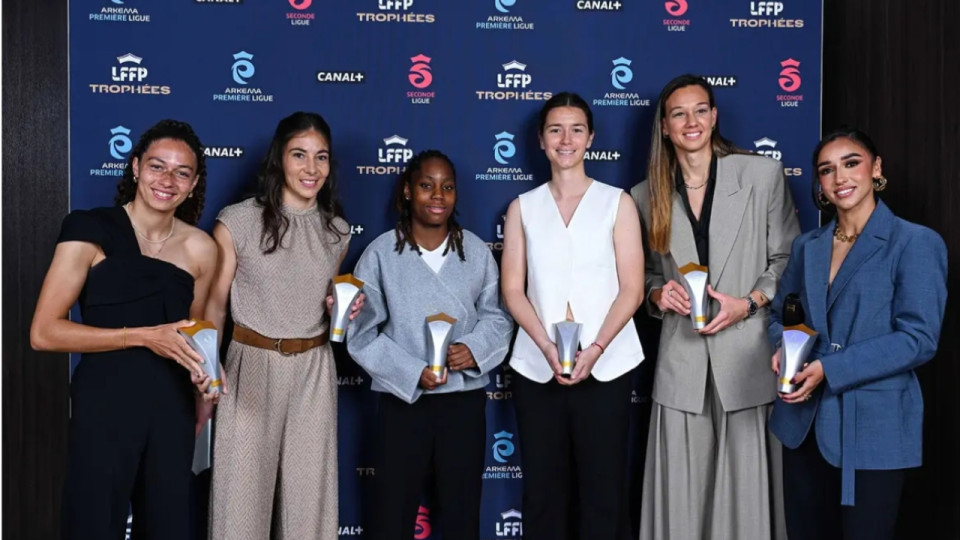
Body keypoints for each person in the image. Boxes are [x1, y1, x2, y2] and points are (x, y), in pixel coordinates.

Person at [30, 119, 219, 539]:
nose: (167, 180)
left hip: (172, 409)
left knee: (168, 527)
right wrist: (141, 335)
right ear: (135, 167)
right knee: (93, 524)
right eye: (157, 166)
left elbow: (199, 335)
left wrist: (205, 393)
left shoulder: (201, 248)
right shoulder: (88, 228)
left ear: (193, 184)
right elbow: (44, 333)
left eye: (181, 172)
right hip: (104, 404)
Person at [631, 73, 799, 540]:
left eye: (700, 110)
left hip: (746, 360)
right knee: (681, 497)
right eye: (679, 113)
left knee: (745, 499)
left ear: (714, 116)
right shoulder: (645, 196)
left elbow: (787, 258)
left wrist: (749, 303)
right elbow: (640, 277)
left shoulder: (760, 175)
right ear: (664, 126)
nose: (691, 121)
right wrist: (657, 294)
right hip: (681, 363)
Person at [768, 128, 947, 540]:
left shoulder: (915, 242)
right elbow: (782, 316)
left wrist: (830, 369)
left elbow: (918, 338)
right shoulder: (807, 246)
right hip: (802, 428)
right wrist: (783, 347)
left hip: (875, 430)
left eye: (851, 163)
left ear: (876, 168)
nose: (840, 178)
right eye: (827, 170)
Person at [347, 149, 513, 540]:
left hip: (463, 402)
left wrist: (474, 348)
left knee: (461, 510)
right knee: (391, 511)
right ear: (407, 191)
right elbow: (361, 333)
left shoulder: (475, 251)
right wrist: (409, 371)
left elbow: (499, 316)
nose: (437, 195)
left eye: (447, 187)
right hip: (403, 403)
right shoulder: (380, 254)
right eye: (426, 185)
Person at [206, 112, 358, 540]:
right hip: (249, 365)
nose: (312, 169)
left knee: (311, 504)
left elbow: (327, 307)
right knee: (240, 500)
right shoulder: (236, 221)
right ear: (279, 159)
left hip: (313, 367)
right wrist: (207, 368)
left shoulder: (337, 231)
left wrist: (344, 310)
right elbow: (215, 306)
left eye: (321, 157)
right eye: (299, 155)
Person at [500, 92, 645, 540]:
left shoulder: (617, 202)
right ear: (541, 141)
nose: (566, 139)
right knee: (543, 492)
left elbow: (633, 289)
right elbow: (512, 289)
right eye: (555, 130)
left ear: (591, 138)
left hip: (607, 365)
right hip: (537, 366)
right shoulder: (522, 207)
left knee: (602, 492)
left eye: (576, 129)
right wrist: (545, 346)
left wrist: (597, 349)